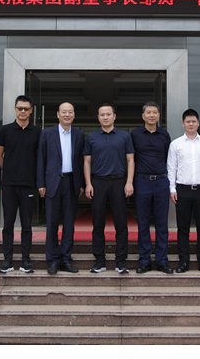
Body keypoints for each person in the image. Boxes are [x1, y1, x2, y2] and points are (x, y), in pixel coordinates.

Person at [84, 103, 135, 274]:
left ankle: (121, 261)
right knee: (97, 223)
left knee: (121, 223)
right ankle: (99, 261)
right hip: (98, 182)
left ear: (114, 116)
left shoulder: (124, 136)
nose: (105, 117)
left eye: (108, 114)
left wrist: (129, 182)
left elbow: (130, 160)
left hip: (118, 181)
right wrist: (88, 183)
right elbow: (87, 162)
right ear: (98, 117)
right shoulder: (91, 137)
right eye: (102, 115)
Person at [37, 102, 85, 274]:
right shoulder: (46, 133)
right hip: (52, 183)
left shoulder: (79, 135)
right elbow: (41, 160)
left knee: (69, 223)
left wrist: (81, 183)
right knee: (52, 223)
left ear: (74, 115)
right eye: (64, 112)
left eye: (70, 112)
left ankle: (66, 259)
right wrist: (41, 183)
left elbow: (81, 161)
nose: (67, 115)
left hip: (71, 182)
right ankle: (52, 261)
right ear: (58, 114)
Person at [167, 109, 200, 273]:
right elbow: (171, 168)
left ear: (198, 123)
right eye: (188, 122)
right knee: (183, 229)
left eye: (193, 121)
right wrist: (172, 189)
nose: (191, 124)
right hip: (183, 190)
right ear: (183, 123)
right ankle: (184, 262)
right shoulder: (176, 144)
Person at [0, 95, 41, 273]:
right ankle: (7, 260)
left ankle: (25, 261)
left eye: (26, 108)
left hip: (28, 184)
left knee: (27, 225)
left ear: (31, 111)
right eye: (20, 108)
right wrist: (9, 171)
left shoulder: (37, 132)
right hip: (9, 184)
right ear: (15, 109)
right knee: (8, 224)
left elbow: (38, 157)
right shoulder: (5, 130)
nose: (23, 111)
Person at [130, 102, 173, 274]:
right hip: (142, 181)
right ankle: (144, 260)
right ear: (143, 116)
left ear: (159, 115)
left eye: (155, 112)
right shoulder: (135, 135)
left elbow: (169, 159)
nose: (152, 115)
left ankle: (162, 260)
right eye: (148, 112)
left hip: (161, 181)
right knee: (143, 223)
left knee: (162, 223)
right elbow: (131, 159)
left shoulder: (165, 135)